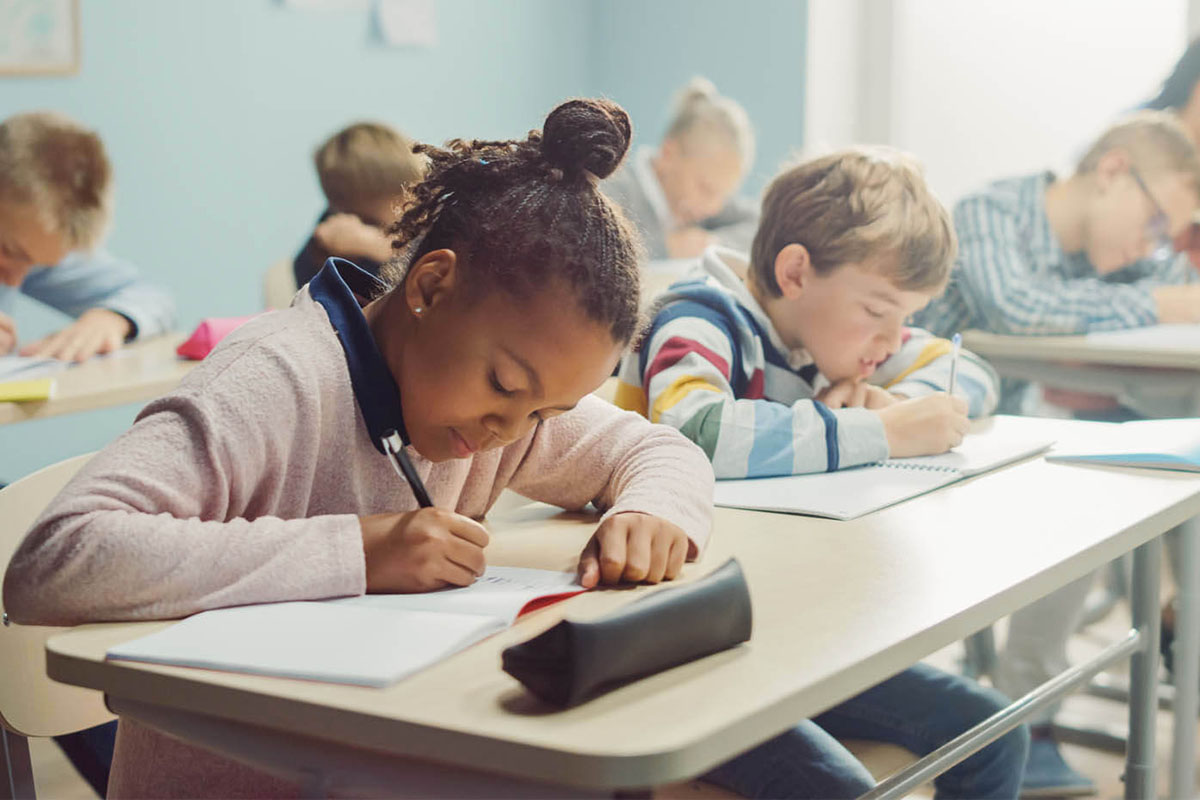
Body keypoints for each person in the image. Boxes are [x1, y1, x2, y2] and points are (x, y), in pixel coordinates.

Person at [5, 98, 716, 798]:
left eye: (546, 411)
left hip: (392, 760)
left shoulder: (503, 415)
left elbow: (657, 451)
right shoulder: (279, 377)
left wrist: (655, 512)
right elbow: (57, 559)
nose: (512, 430)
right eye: (503, 384)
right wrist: (358, 554)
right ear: (432, 286)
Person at [618, 146, 1027, 800]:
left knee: (997, 731)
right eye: (878, 312)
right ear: (796, 272)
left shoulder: (832, 339)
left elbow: (971, 372)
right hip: (688, 651)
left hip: (796, 630)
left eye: (907, 318)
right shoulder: (702, 316)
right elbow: (691, 429)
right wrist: (879, 432)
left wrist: (902, 398)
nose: (892, 341)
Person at [913, 110, 1200, 797]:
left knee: (1140, 465)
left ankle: (1040, 703)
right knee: (1098, 487)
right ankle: (1025, 712)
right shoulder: (992, 211)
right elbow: (1018, 307)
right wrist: (1164, 302)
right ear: (1111, 173)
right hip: (926, 446)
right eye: (1158, 224)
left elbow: (1147, 294)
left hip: (1004, 437)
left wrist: (1156, 296)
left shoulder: (1100, 260)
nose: (1153, 247)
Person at [0, 111, 174, 362]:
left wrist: (113, 318)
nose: (14, 281)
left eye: (33, 263)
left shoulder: (29, 250)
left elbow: (153, 295)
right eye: (8, 249)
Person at [603, 77, 758, 262]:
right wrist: (665, 248)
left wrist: (713, 243)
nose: (713, 207)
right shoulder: (612, 192)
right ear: (669, 154)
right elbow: (595, 251)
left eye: (723, 195)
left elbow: (763, 225)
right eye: (705, 188)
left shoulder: (705, 205)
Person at [292, 121, 425, 288]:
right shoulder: (336, 232)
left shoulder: (440, 214)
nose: (412, 208)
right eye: (397, 205)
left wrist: (378, 246)